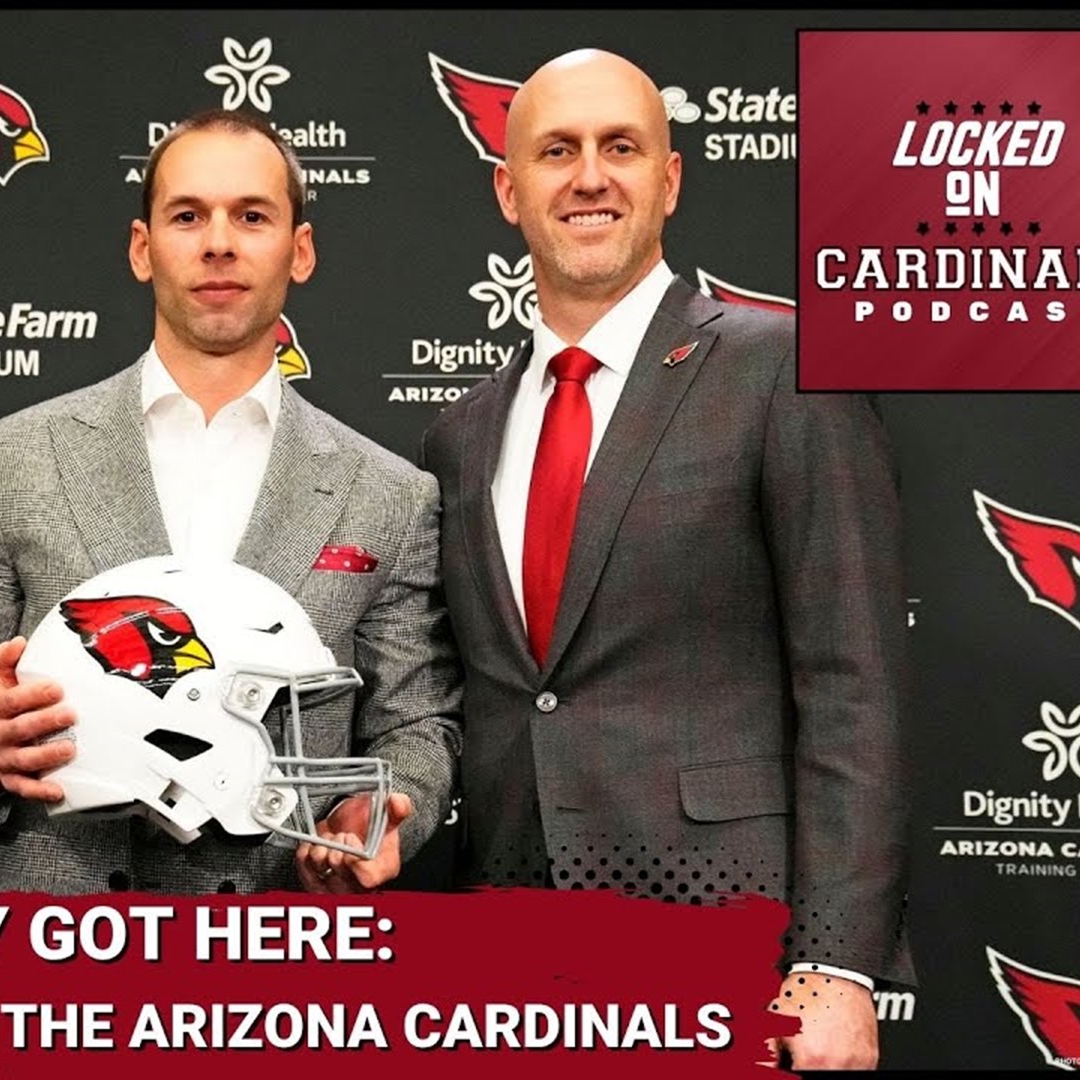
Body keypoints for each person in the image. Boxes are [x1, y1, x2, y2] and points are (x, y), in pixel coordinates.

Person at [421, 50, 910, 1069]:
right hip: (510, 962)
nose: (590, 176)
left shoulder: (785, 369)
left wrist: (835, 967)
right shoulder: (462, 432)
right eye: (557, 151)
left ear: (671, 179)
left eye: (621, 148)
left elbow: (853, 685)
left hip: (734, 946)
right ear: (510, 190)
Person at [0, 108, 461, 895]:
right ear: (141, 247)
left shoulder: (388, 493)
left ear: (300, 252)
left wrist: (387, 807)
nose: (218, 241)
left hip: (280, 951)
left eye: (251, 216)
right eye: (187, 215)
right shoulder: (11, 457)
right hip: (50, 954)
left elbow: (416, 721)